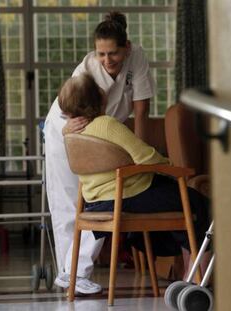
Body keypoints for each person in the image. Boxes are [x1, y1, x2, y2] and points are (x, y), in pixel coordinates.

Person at [44, 11, 155, 294]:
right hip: (68, 128)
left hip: (103, 130)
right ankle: (71, 273)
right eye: (101, 53)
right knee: (70, 202)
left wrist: (139, 157)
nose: (107, 60)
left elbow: (141, 111)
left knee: (102, 197)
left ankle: (72, 273)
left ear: (126, 48)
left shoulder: (137, 58)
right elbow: (68, 107)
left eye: (113, 53)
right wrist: (67, 128)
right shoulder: (87, 69)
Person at [58, 73, 210, 274]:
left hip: (96, 201)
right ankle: (197, 281)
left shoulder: (72, 132)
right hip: (128, 195)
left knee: (182, 205)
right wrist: (170, 165)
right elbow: (144, 156)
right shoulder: (107, 124)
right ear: (96, 98)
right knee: (199, 206)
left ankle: (189, 277)